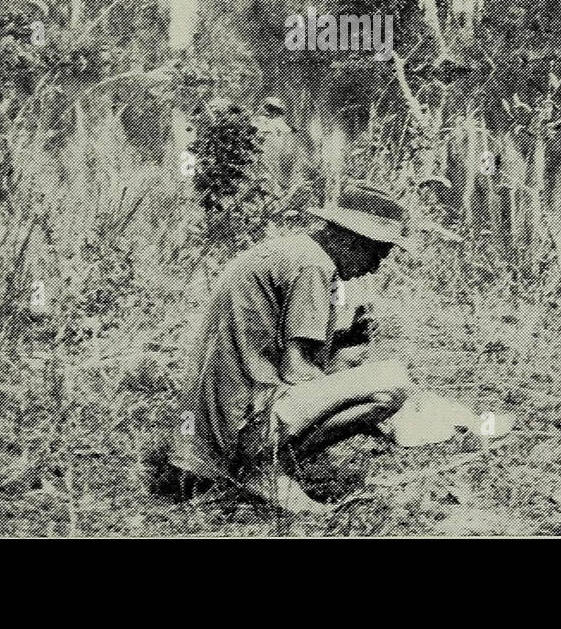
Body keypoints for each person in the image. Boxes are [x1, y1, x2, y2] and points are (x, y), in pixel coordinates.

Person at [166, 181, 421, 514]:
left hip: (209, 431)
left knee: (356, 370)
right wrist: (379, 419)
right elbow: (296, 371)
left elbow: (278, 354)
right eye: (376, 254)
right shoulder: (314, 267)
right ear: (350, 238)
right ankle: (261, 468)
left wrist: (347, 347)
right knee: (393, 382)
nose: (374, 268)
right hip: (241, 429)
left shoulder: (293, 252)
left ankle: (257, 464)